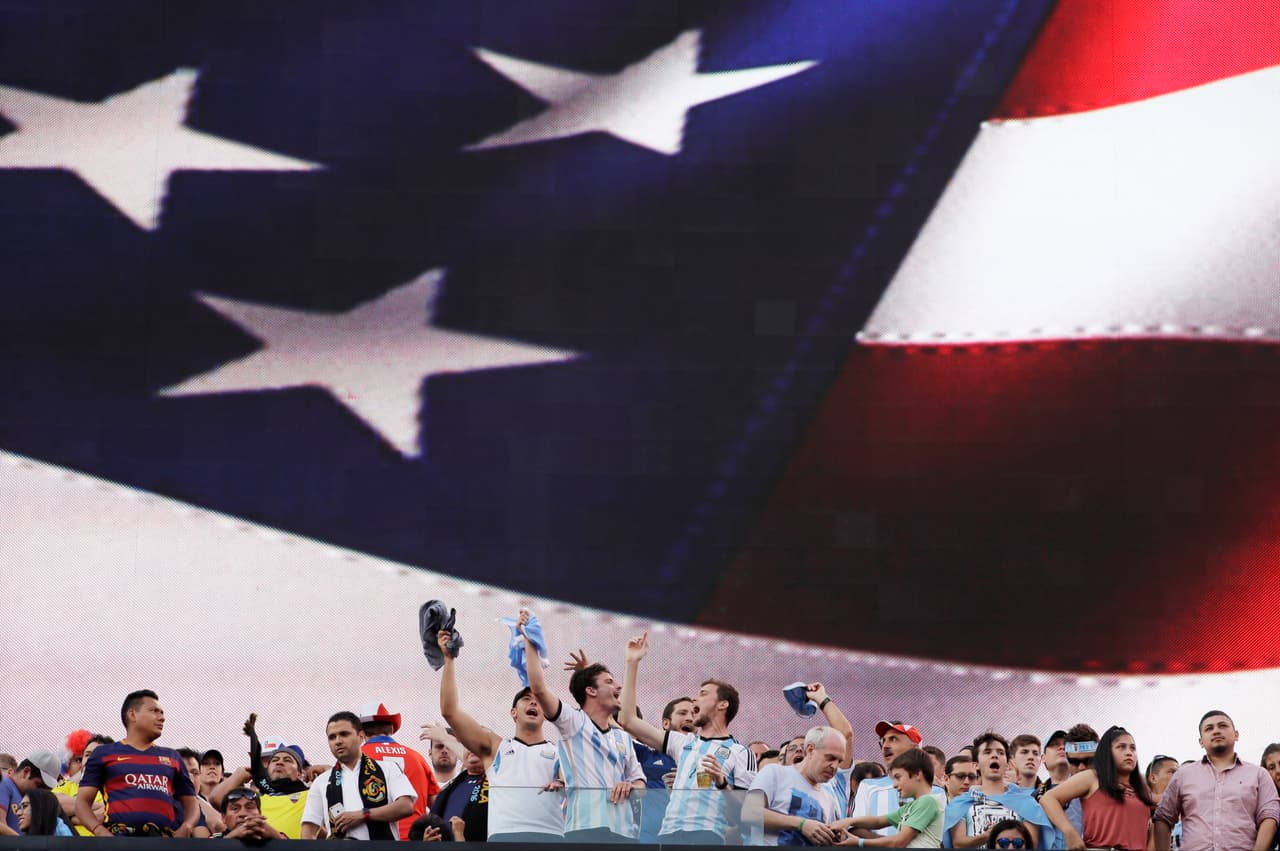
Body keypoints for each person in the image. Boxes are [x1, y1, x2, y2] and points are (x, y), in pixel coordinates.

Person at [618, 630, 760, 844]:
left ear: (723, 704)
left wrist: (722, 784)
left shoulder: (741, 753)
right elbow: (627, 720)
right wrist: (632, 663)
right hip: (667, 836)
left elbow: (746, 817)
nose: (695, 698)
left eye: (703, 693)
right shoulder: (681, 743)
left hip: (707, 837)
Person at [521, 613, 644, 842]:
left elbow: (640, 782)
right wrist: (529, 641)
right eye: (609, 681)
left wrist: (630, 785)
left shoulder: (623, 737)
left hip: (625, 833)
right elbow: (538, 688)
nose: (618, 686)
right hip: (584, 830)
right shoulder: (573, 722)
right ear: (591, 691)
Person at [436, 625, 563, 842]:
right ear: (513, 713)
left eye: (538, 700)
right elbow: (450, 712)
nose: (533, 701)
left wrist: (563, 782)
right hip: (505, 839)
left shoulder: (560, 751)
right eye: (525, 698)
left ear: (547, 712)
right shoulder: (495, 748)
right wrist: (449, 660)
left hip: (549, 838)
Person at [75, 690, 200, 837]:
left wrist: (187, 826)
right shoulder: (104, 754)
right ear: (132, 714)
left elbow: (192, 803)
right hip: (120, 843)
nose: (162, 718)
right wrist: (99, 831)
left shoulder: (173, 757)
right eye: (155, 711)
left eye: (162, 713)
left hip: (162, 843)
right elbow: (82, 803)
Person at [1152, 709, 1279, 851]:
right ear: (1201, 741)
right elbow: (1163, 816)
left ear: (1236, 735)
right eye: (1209, 728)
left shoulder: (1259, 774)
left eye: (1223, 726)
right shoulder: (1183, 775)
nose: (1216, 731)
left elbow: (1270, 816)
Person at [300, 711, 416, 840]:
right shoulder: (322, 781)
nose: (337, 741)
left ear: (361, 736)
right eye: (332, 737)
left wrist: (363, 815)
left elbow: (406, 806)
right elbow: (308, 829)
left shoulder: (388, 768)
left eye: (344, 734)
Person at [1039, 725, 1154, 851]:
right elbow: (1048, 798)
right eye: (1074, 762)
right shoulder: (1091, 778)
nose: (1082, 767)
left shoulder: (1141, 786)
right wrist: (1070, 833)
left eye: (1089, 761)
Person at [944, 732, 1052, 849]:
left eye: (1000, 752)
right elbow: (958, 844)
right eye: (987, 752)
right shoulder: (961, 803)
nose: (995, 756)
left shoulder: (1027, 803)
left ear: (1007, 764)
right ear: (976, 765)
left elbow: (1032, 844)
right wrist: (986, 836)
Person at [210, 713, 311, 838]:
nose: (279, 762)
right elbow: (216, 799)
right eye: (274, 760)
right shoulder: (254, 798)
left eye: (287, 760)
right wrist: (238, 775)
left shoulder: (311, 794)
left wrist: (324, 769)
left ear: (301, 773)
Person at [747, 725, 847, 845]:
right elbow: (749, 813)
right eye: (830, 758)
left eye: (839, 761)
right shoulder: (774, 773)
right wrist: (801, 824)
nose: (835, 766)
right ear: (810, 750)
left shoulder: (829, 801)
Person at [360, 701, 441, 839]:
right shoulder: (417, 758)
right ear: (391, 730)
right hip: (416, 840)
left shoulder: (357, 757)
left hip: (374, 841)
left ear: (361, 733)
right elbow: (438, 805)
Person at [835, 748, 945, 848]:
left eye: (898, 777)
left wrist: (860, 842)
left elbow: (898, 842)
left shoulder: (927, 801)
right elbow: (878, 821)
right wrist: (848, 821)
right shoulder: (911, 807)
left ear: (917, 774)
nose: (894, 785)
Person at [852, 721, 945, 837]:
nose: (885, 746)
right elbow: (855, 829)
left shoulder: (937, 793)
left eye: (893, 739)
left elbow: (940, 838)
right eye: (883, 740)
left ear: (915, 749)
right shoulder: (867, 786)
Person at [0, 750, 58, 836]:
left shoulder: (25, 797)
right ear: (26, 772)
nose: (41, 791)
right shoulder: (4, 784)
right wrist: (22, 844)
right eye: (39, 785)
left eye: (46, 789)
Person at [213, 787, 286, 841]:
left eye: (250, 807)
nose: (243, 814)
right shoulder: (214, 840)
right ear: (223, 817)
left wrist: (277, 838)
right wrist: (229, 839)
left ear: (260, 813)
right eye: (235, 808)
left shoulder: (276, 836)